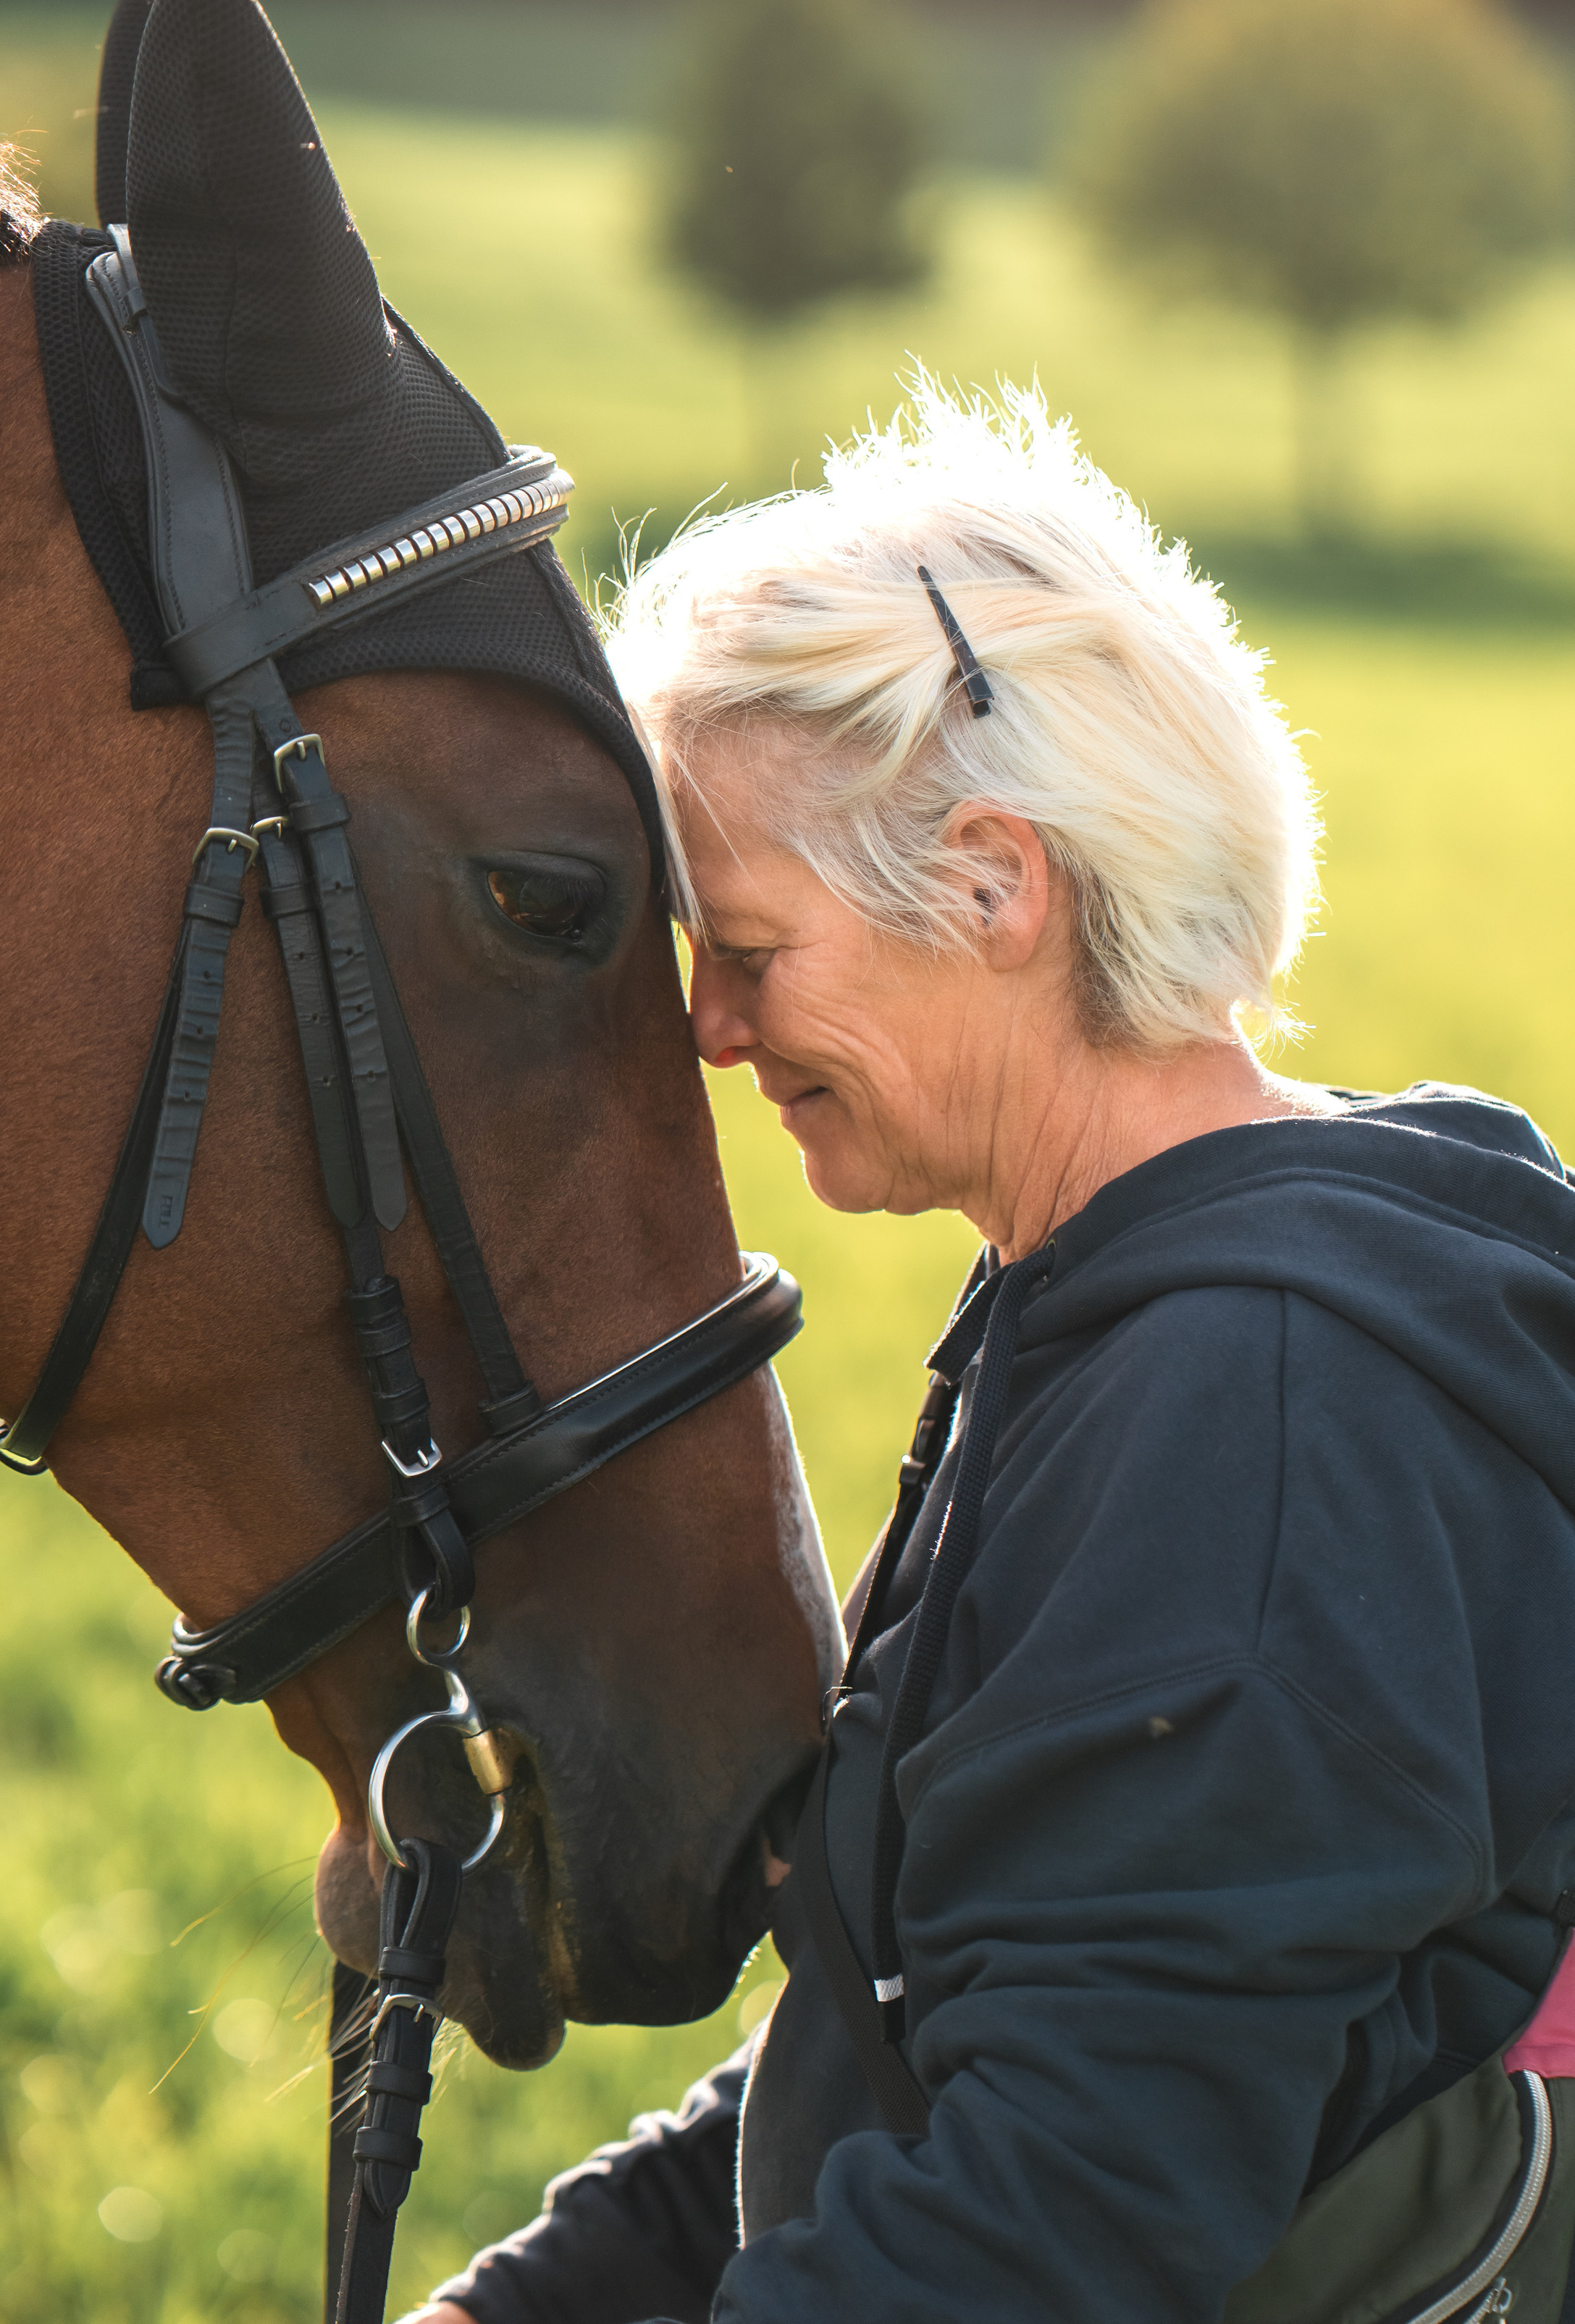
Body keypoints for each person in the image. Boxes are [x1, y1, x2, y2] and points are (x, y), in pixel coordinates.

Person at [410, 382, 1575, 2323]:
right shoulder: (1129, 1303)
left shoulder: (1257, 1413)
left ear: (992, 887)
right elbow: (934, 2011)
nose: (707, 1029)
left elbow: (1065, 2218)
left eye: (752, 950)